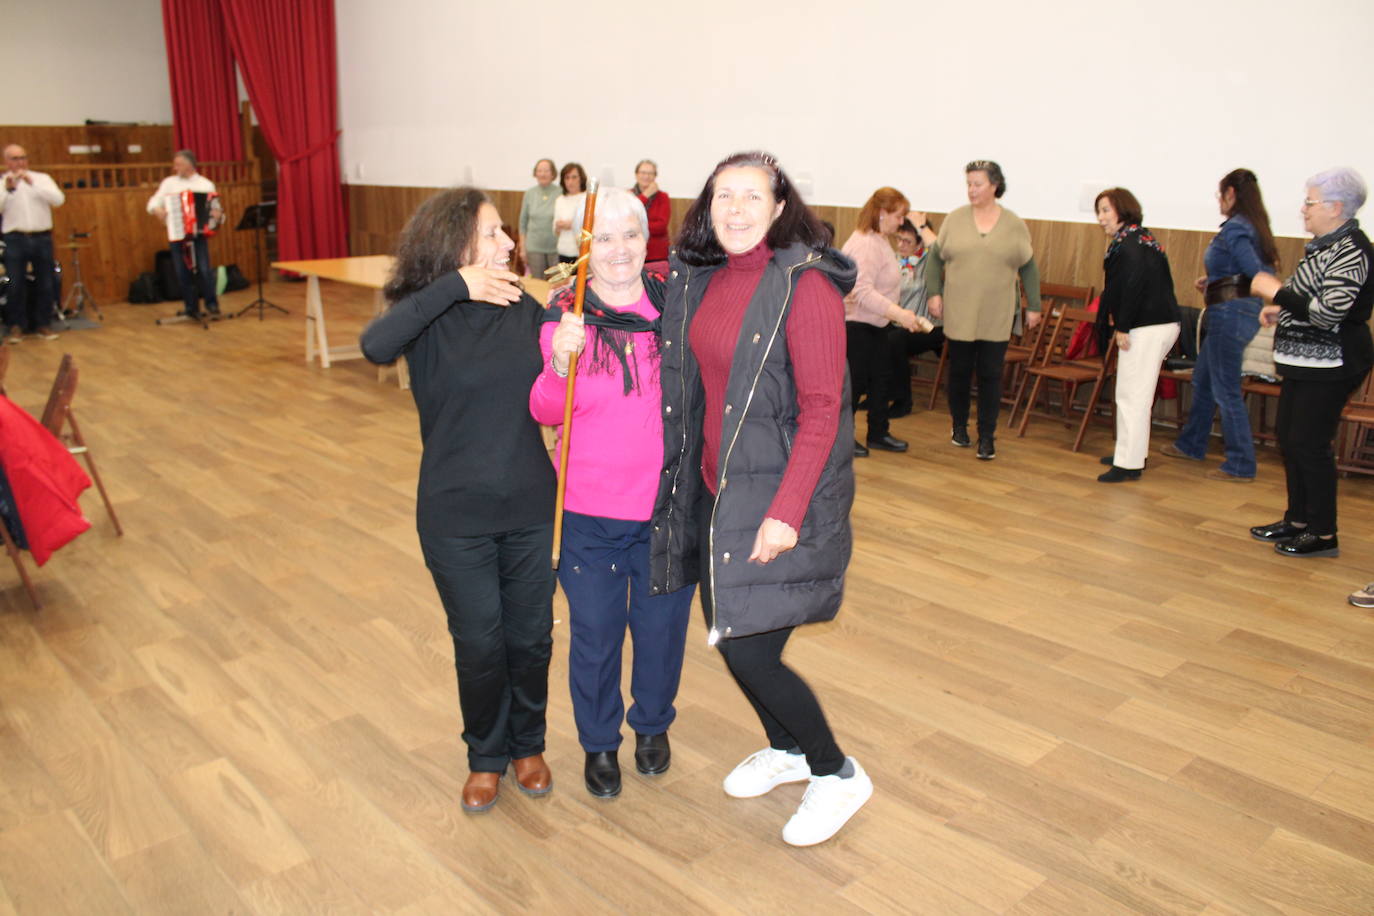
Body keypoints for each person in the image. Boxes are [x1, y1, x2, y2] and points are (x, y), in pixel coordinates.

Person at [652, 151, 873, 848]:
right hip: (722, 488)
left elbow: (822, 407)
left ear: (781, 209)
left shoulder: (802, 287)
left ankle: (836, 773)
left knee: (750, 651)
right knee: (728, 634)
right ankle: (788, 749)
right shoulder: (708, 276)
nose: (737, 210)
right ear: (707, 207)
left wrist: (787, 511)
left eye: (753, 197)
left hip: (779, 498)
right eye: (724, 196)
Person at [359, 187, 557, 813]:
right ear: (456, 246)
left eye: (505, 233)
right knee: (479, 641)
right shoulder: (429, 316)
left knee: (529, 638)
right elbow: (374, 346)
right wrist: (455, 287)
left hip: (528, 504)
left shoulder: (526, 308)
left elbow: (563, 380)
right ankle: (485, 755)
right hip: (455, 512)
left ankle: (528, 745)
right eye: (494, 233)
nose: (508, 243)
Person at [529, 188, 696, 799]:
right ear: (582, 249)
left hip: (665, 510)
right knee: (595, 636)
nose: (619, 249)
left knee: (660, 631)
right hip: (587, 514)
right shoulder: (563, 316)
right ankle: (599, 744)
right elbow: (543, 408)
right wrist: (560, 363)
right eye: (604, 238)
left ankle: (652, 724)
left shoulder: (674, 305)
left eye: (630, 235)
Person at [1248, 167, 1372, 558]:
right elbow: (1308, 300)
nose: (1303, 209)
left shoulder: (1352, 249)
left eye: (1309, 202)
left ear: (1335, 208)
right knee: (1290, 437)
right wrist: (1279, 311)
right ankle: (1298, 520)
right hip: (1305, 361)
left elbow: (1328, 313)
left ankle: (1322, 533)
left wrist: (1277, 292)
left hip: (1333, 363)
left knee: (1310, 444)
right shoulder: (1324, 244)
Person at [1160, 168, 1280, 481]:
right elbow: (1250, 270)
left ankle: (1241, 463)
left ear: (1231, 194)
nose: (1218, 200)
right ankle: (1192, 444)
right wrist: (1214, 281)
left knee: (1226, 389)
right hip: (1235, 311)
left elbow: (1256, 273)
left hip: (1231, 314)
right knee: (1204, 380)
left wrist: (1276, 300)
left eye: (1220, 194)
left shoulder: (1237, 228)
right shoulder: (1253, 227)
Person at [925, 160, 1041, 460]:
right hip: (960, 310)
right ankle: (959, 425)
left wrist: (1034, 306)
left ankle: (987, 436)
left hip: (997, 312)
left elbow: (1028, 266)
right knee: (960, 372)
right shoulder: (955, 220)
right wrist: (935, 294)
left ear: (994, 185)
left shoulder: (1013, 223)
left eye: (977, 184)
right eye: (968, 184)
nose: (971, 189)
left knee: (991, 374)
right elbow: (935, 260)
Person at [1092, 188, 1182, 483]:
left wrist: (1122, 327)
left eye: (1106, 210)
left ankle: (1128, 464)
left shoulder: (1130, 245)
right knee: (1135, 393)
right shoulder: (1139, 238)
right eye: (1099, 211)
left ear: (1123, 210)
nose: (1101, 218)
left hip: (1147, 325)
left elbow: (1132, 288)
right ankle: (1131, 454)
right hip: (1156, 323)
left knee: (1132, 395)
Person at [841, 188, 931, 456]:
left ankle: (878, 432)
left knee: (881, 380)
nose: (901, 221)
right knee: (854, 385)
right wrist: (899, 314)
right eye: (899, 215)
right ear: (882, 213)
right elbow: (861, 291)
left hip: (877, 324)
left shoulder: (880, 240)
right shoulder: (865, 244)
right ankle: (842, 440)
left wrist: (895, 314)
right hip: (857, 325)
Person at [146, 150, 223, 320]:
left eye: (178, 164)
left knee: (204, 269)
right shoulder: (169, 183)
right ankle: (191, 307)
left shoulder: (205, 184)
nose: (175, 168)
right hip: (178, 233)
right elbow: (152, 202)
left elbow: (215, 207)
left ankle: (212, 304)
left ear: (189, 165)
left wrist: (217, 214)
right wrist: (157, 209)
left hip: (199, 233)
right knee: (182, 271)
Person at [1, 144, 64, 342]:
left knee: (45, 282)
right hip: (15, 238)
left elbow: (58, 199)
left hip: (41, 237)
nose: (20, 162)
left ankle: (43, 324)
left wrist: (33, 184)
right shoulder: (2, 182)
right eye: (14, 158)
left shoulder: (42, 179)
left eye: (23, 157)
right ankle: (15, 326)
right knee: (15, 284)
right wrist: (8, 190)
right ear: (6, 162)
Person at [887, 218, 943, 418]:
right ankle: (877, 393)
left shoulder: (930, 262)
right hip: (898, 323)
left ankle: (903, 400)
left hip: (929, 327)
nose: (901, 245)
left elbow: (940, 247)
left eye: (907, 241)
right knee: (869, 332)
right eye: (899, 239)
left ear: (920, 243)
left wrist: (923, 227)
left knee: (895, 340)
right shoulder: (894, 260)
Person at [518, 158, 560, 277]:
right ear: (535, 173)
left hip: (555, 248)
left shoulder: (560, 192)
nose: (543, 174)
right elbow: (522, 223)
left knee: (556, 283)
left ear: (553, 174)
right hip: (534, 247)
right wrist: (522, 249)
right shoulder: (530, 193)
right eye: (539, 170)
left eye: (546, 171)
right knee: (537, 283)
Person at [633, 159, 671, 271]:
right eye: (643, 173)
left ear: (655, 176)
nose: (646, 176)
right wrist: (645, 195)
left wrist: (635, 227)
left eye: (650, 173)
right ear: (636, 175)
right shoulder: (628, 195)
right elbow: (627, 218)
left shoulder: (663, 197)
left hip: (657, 254)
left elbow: (661, 227)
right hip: (634, 251)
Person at [553, 162, 588, 265]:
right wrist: (558, 226)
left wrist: (573, 225)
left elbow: (591, 224)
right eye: (567, 178)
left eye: (574, 177)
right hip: (563, 250)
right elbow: (555, 230)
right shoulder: (560, 199)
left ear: (581, 179)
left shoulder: (587, 198)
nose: (570, 181)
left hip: (581, 252)